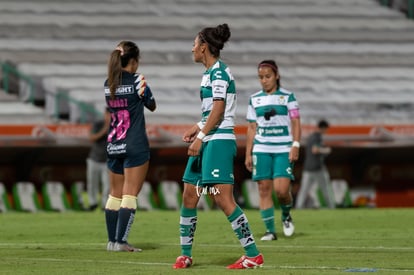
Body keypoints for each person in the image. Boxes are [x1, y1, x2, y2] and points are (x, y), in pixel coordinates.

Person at [172, 23, 264, 269]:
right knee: (190, 195)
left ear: (204, 47)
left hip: (218, 141)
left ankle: (253, 254)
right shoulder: (209, 72)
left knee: (222, 198)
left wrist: (201, 136)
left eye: (194, 44)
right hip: (208, 136)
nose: (191, 49)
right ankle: (185, 254)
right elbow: (212, 110)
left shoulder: (219, 73)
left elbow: (220, 109)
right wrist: (198, 125)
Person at [103, 41, 156, 252]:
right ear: (133, 61)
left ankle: (111, 241)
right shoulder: (138, 80)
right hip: (134, 143)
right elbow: (151, 104)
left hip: (114, 143)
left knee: (114, 194)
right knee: (130, 194)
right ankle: (122, 242)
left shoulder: (108, 83)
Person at [245, 59, 301, 241]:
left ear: (276, 76)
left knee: (282, 191)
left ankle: (286, 215)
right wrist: (248, 153)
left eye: (267, 76)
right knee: (263, 189)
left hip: (283, 148)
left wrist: (295, 144)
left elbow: (296, 122)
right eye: (260, 77)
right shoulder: (254, 99)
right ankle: (270, 231)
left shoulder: (288, 97)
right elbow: (252, 128)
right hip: (261, 148)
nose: (264, 80)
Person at [295, 119, 335, 209]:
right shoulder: (317, 137)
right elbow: (315, 150)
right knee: (326, 189)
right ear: (323, 128)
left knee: (303, 191)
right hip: (317, 169)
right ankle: (332, 207)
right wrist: (326, 150)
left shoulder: (311, 137)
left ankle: (298, 208)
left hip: (308, 168)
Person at [85, 108, 110, 211]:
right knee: (92, 183)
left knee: (107, 185)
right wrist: (105, 129)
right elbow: (92, 138)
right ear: (105, 114)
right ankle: (92, 203)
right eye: (108, 114)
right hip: (94, 159)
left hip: (108, 160)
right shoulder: (98, 124)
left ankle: (105, 205)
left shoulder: (117, 125)